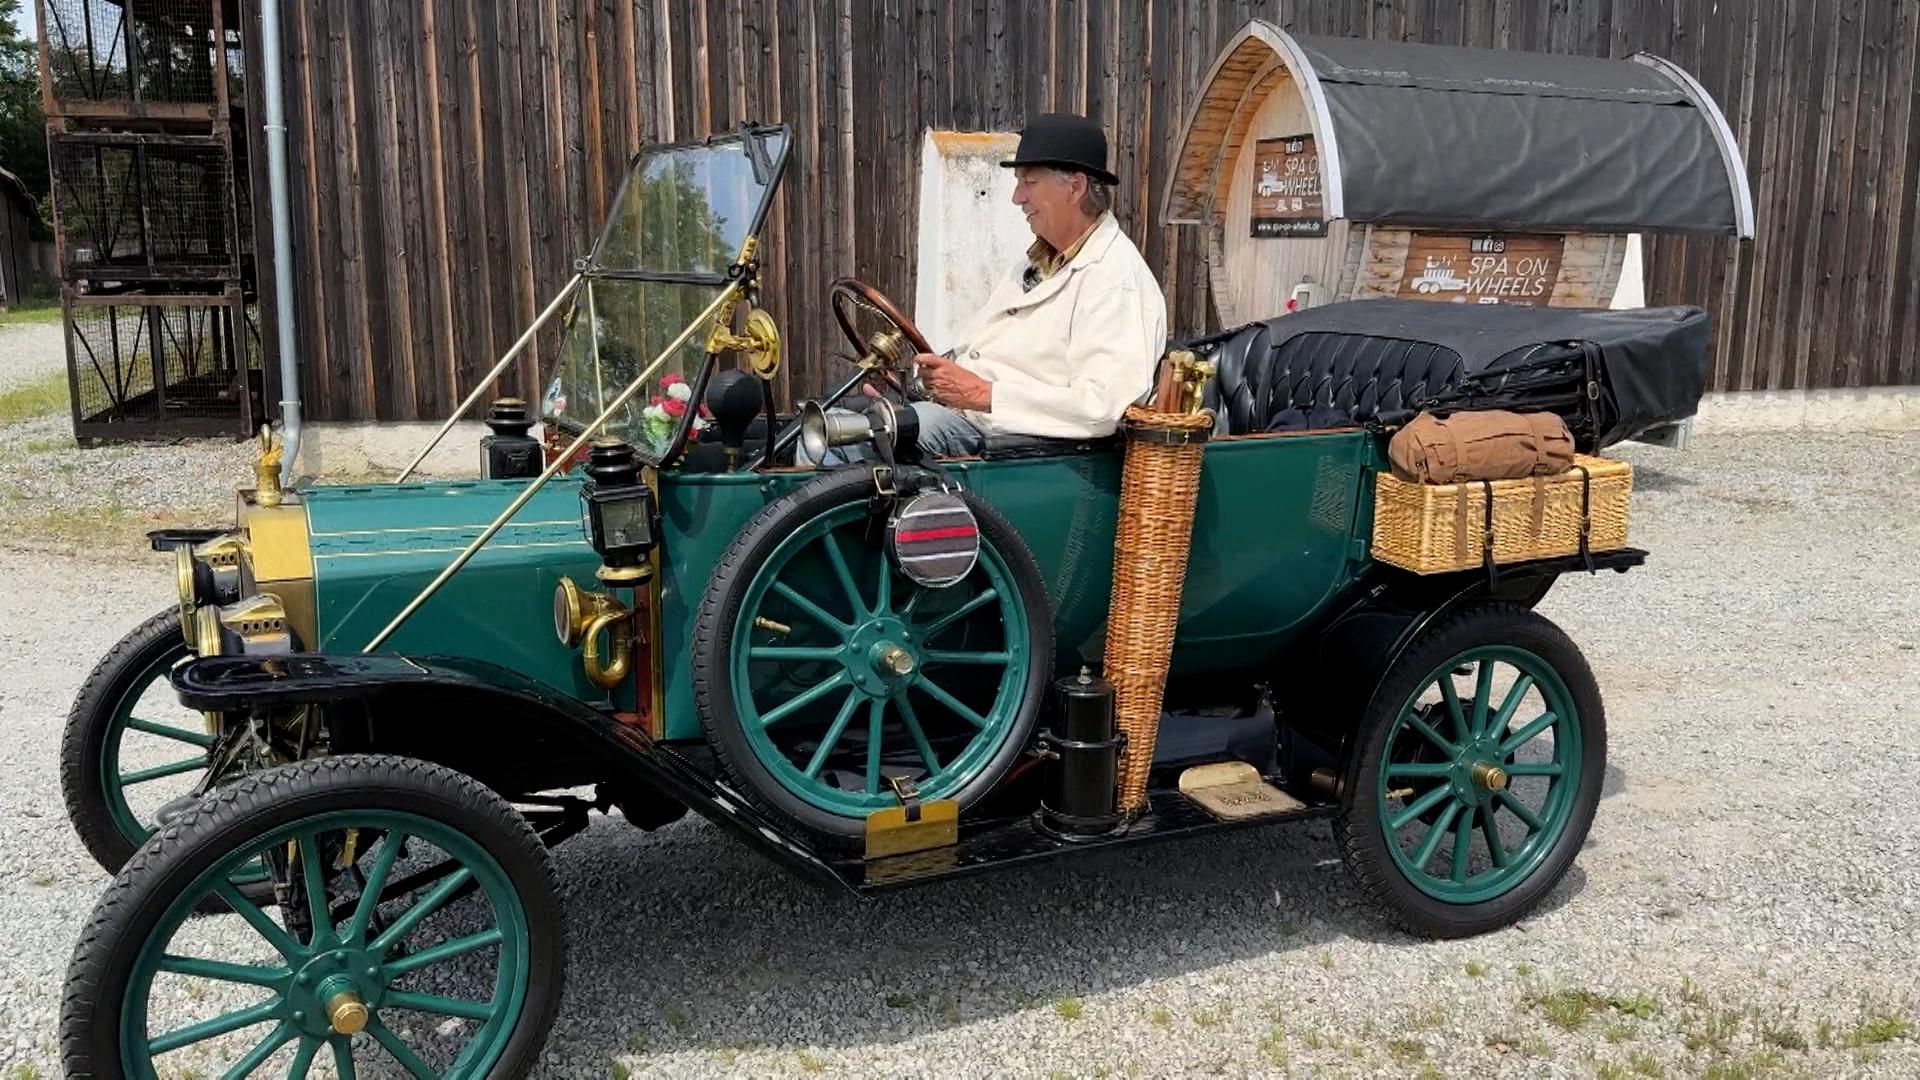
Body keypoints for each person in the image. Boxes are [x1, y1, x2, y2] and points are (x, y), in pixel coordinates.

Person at [805, 113, 1168, 463]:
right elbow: (977, 354)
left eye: (1029, 182)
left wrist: (982, 394)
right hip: (978, 423)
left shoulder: (1115, 279)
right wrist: (917, 390)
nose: (1017, 197)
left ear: (1074, 187)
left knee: (837, 443)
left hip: (1023, 451)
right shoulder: (1039, 261)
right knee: (819, 419)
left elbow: (1102, 408)